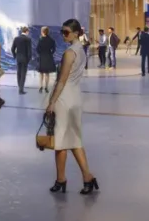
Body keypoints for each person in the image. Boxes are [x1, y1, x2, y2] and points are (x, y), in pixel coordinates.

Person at [46, 18, 98, 195]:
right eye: (62, 31)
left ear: (76, 33)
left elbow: (62, 80)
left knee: (60, 142)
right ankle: (87, 177)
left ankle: (61, 179)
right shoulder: (81, 50)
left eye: (66, 32)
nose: (63, 35)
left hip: (64, 99)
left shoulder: (69, 53)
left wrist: (51, 102)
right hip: (76, 96)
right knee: (75, 140)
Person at [11, 26, 33, 94]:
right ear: (27, 31)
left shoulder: (16, 38)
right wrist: (28, 60)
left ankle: (19, 86)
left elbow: (12, 49)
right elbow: (29, 52)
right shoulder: (28, 39)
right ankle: (21, 89)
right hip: (25, 59)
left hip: (18, 58)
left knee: (19, 72)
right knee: (23, 74)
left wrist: (15, 56)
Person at [35, 26, 57, 93]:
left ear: (42, 32)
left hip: (42, 57)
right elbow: (54, 49)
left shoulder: (40, 40)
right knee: (47, 73)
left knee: (41, 73)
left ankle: (40, 87)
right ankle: (46, 87)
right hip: (48, 57)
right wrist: (50, 53)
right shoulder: (51, 40)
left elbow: (37, 49)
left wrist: (40, 53)